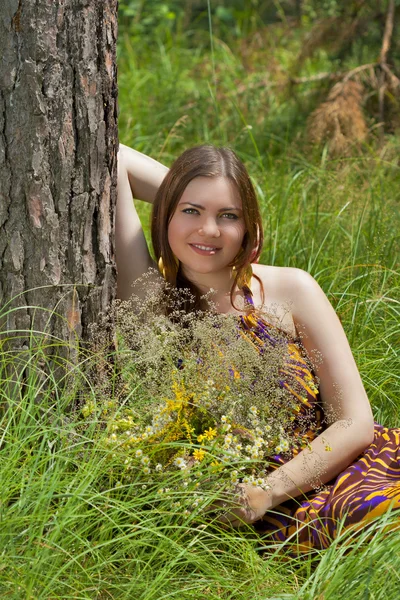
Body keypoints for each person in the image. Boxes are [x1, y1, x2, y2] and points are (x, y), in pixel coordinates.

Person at [116, 142, 400, 552]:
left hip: (345, 469)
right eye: (191, 211)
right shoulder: (150, 303)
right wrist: (185, 196)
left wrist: (267, 492)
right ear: (166, 214)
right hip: (267, 511)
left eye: (227, 216)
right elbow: (116, 159)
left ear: (248, 228)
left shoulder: (290, 289)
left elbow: (356, 422)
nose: (208, 231)